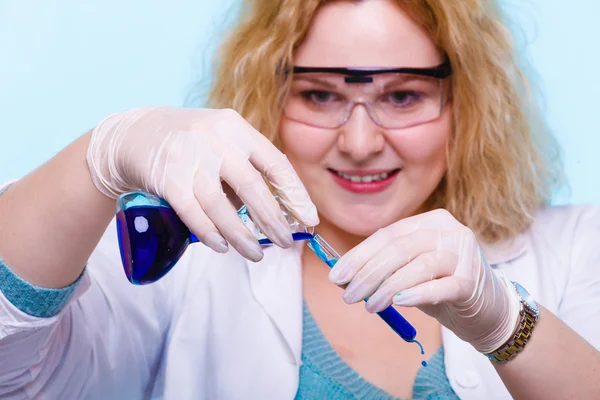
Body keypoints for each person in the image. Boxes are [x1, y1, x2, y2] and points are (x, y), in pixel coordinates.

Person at [0, 0, 599, 399]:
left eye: (404, 96)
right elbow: (15, 372)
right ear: (269, 95)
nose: (360, 143)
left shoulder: (577, 249)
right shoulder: (187, 269)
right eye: (318, 96)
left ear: (467, 104)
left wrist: (503, 322)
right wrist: (101, 155)